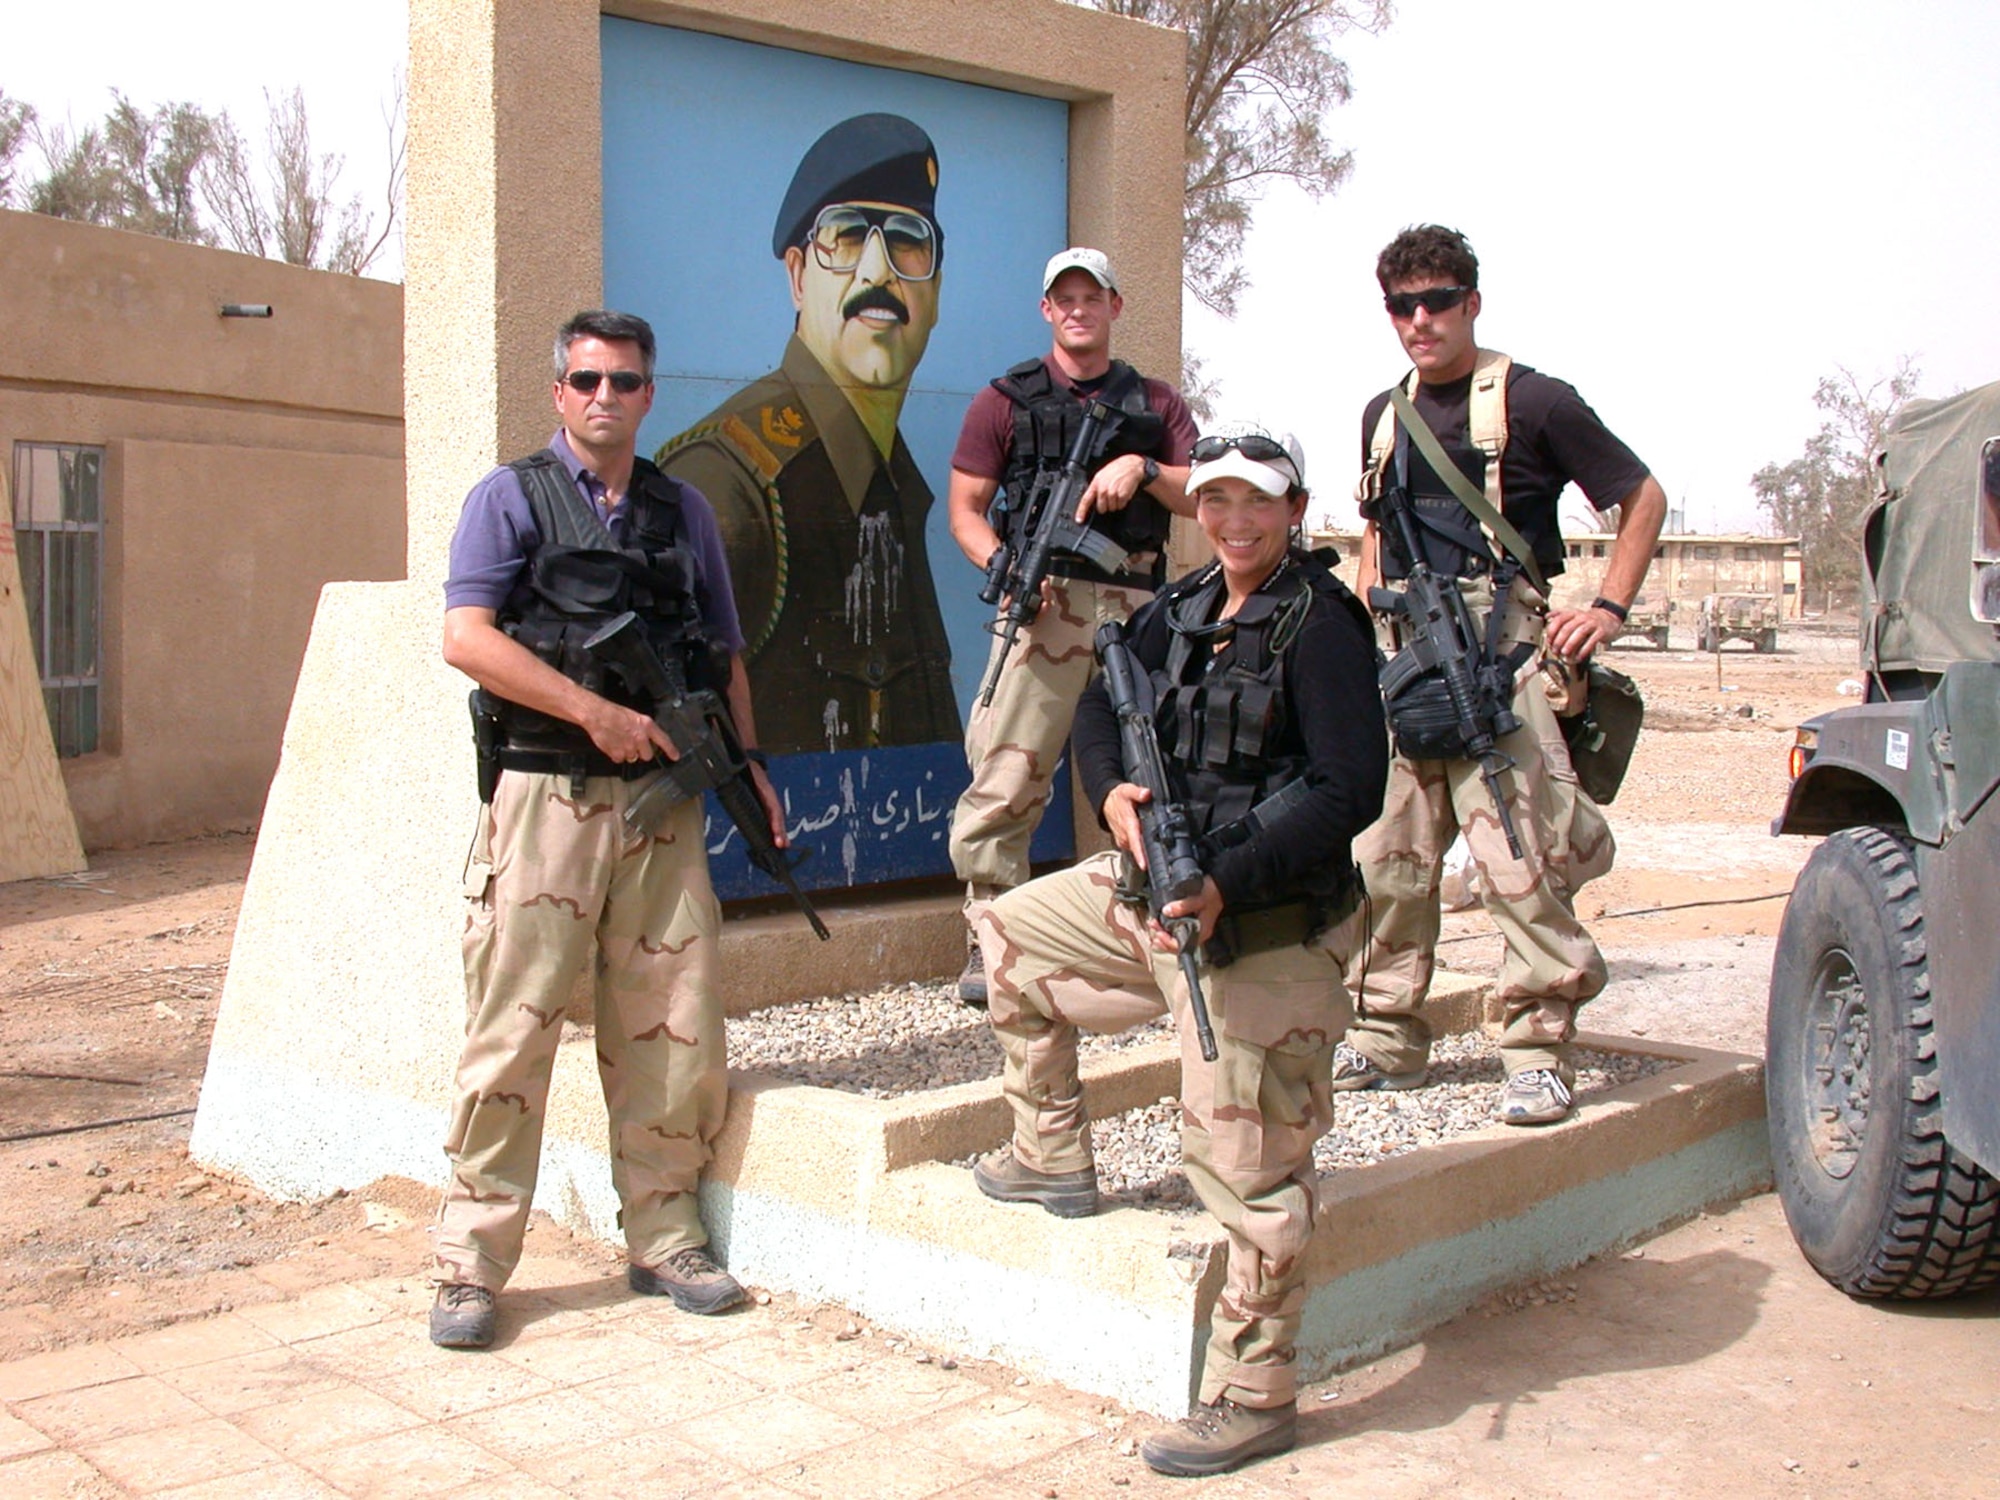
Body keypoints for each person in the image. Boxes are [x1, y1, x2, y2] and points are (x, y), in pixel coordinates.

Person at [971, 430, 1388, 1476]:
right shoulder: (1177, 607)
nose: (1235, 521)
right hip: (1150, 896)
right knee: (1008, 933)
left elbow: (1349, 792)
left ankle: (1253, 1396)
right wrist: (1110, 793)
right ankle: (1050, 1154)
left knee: (1246, 1172)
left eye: (1255, 502)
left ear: (1293, 510)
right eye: (1216, 502)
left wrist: (1222, 879)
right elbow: (1096, 719)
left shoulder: (1321, 627)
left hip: (1258, 927)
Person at [428, 310, 786, 1349]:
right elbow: (465, 637)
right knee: (512, 1030)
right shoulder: (509, 499)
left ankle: (664, 1236)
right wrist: (589, 711)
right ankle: (470, 1262)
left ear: (647, 395)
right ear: (558, 391)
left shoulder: (683, 512)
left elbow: (724, 656)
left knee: (673, 1025)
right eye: (585, 379)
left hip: (661, 812)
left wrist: (749, 770)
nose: (603, 397)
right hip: (545, 800)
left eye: (624, 382)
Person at [1334, 224, 1667, 1126]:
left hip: (1500, 657)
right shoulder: (1382, 412)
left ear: (1472, 303)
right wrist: (1370, 596)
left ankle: (1534, 1046)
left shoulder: (1538, 402)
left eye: (1437, 301)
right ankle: (1384, 1033)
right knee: (1388, 859)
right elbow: (1375, 525)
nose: (1419, 321)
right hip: (1406, 661)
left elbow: (1643, 495)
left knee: (1516, 856)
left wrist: (1608, 607)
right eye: (1401, 306)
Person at [658, 112, 958, 755]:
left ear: (934, 292)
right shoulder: (728, 482)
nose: (878, 272)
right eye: (846, 236)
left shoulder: (895, 486)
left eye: (908, 242)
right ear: (798, 277)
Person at [946, 247, 1199, 1003]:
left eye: (1094, 297)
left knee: (1149, 767)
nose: (1079, 309)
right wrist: (1003, 567)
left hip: (1138, 610)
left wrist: (1145, 470)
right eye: (1066, 298)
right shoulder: (1005, 400)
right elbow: (965, 510)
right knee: (1006, 773)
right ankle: (988, 933)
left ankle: (1154, 922)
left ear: (1115, 308)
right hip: (1045, 605)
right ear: (1046, 310)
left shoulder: (1156, 405)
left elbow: (1206, 490)